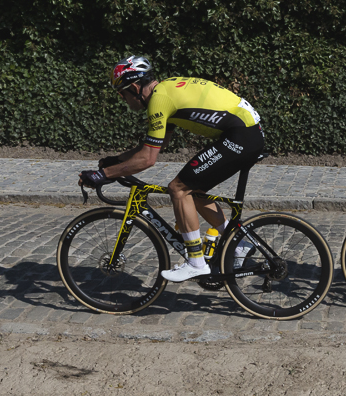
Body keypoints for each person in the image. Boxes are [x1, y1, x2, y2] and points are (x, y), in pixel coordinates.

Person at [78, 56, 266, 283]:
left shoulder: (159, 101)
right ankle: (238, 243)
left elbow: (147, 159)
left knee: (178, 189)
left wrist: (102, 175)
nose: (123, 99)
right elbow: (157, 145)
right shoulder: (165, 90)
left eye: (122, 93)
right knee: (193, 190)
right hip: (246, 133)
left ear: (135, 88)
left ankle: (196, 263)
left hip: (241, 135)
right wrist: (116, 161)